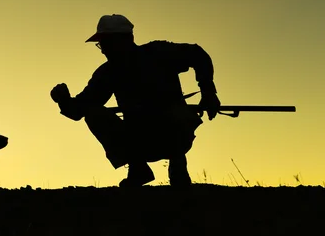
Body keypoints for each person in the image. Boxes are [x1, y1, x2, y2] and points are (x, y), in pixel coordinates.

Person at [50, 14, 221, 187]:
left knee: (172, 113)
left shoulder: (158, 52)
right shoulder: (108, 73)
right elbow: (82, 109)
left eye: (106, 43)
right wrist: (63, 101)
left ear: (125, 40)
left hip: (173, 135)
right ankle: (139, 169)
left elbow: (197, 55)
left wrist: (208, 92)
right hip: (139, 141)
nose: (103, 50)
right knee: (94, 114)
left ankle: (177, 168)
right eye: (101, 45)